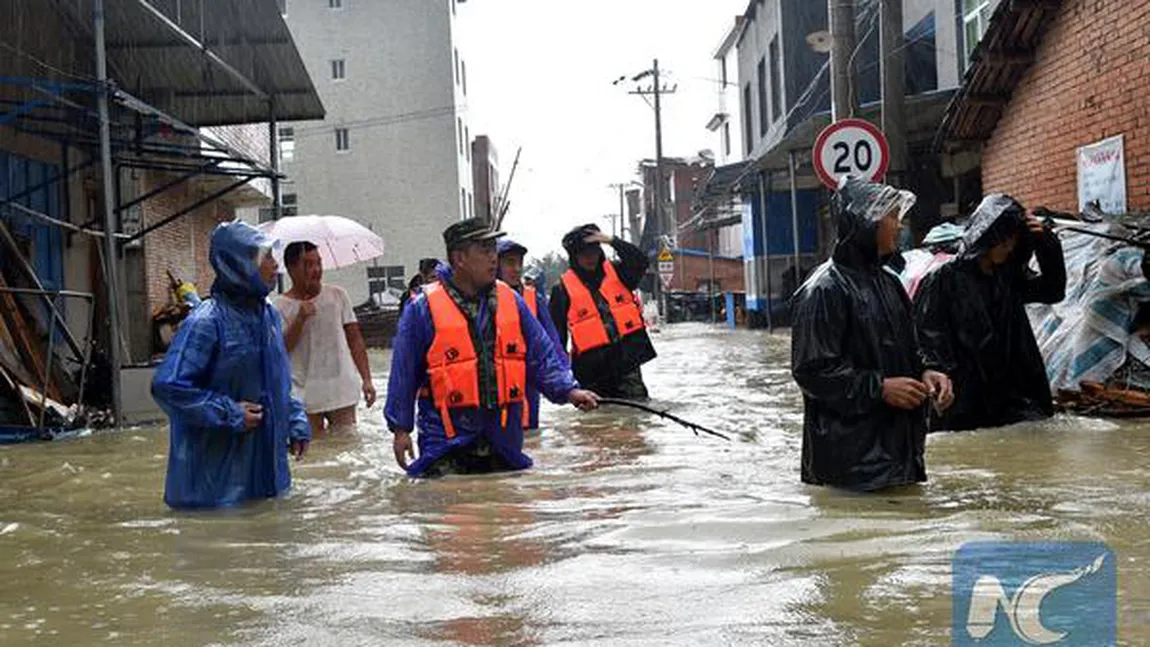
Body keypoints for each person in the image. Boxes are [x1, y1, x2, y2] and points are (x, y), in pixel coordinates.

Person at [385, 218, 600, 478]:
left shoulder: (512, 300)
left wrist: (569, 391)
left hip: (503, 441)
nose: (493, 258)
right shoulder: (422, 308)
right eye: (485, 250)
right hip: (446, 444)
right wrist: (401, 430)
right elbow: (403, 373)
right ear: (460, 258)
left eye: (493, 249)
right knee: (451, 513)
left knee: (506, 512)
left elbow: (540, 355)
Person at [791, 176, 954, 492]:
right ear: (866, 222)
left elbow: (910, 348)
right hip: (849, 467)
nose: (900, 226)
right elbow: (812, 372)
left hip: (898, 457)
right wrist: (878, 389)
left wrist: (928, 372)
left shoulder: (889, 283)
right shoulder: (824, 289)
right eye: (892, 217)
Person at [152, 220, 310, 509]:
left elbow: (279, 381)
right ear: (239, 264)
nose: (276, 266)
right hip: (211, 490)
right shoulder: (205, 322)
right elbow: (167, 386)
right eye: (266, 258)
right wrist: (227, 411)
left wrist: (294, 419)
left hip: (267, 480)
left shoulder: (269, 318)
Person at [914, 194, 1066, 432]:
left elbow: (1052, 291)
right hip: (966, 395)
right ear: (986, 237)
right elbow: (925, 335)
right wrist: (934, 371)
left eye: (1013, 241)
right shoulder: (944, 279)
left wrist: (1046, 244)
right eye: (1003, 241)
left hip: (1010, 393)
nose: (1008, 248)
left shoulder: (1008, 278)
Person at [274, 241, 376, 437]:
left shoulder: (337, 296)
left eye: (318, 263)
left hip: (340, 386)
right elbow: (281, 350)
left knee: (346, 446)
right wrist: (300, 318)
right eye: (308, 265)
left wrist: (367, 379)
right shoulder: (278, 306)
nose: (316, 270)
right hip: (303, 391)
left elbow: (355, 339)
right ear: (291, 268)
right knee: (313, 452)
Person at [550, 224, 656, 399]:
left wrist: (611, 240)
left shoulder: (619, 272)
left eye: (594, 251)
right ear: (574, 257)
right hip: (592, 374)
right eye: (584, 254)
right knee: (597, 423)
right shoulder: (561, 290)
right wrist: (562, 381)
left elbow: (640, 261)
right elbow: (557, 338)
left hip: (626, 367)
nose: (590, 258)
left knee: (637, 417)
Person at [497, 237, 567, 430]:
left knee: (529, 430)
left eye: (519, 263)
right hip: (498, 379)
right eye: (510, 263)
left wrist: (565, 379)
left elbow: (552, 341)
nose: (517, 269)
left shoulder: (533, 298)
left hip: (530, 377)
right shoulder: (483, 300)